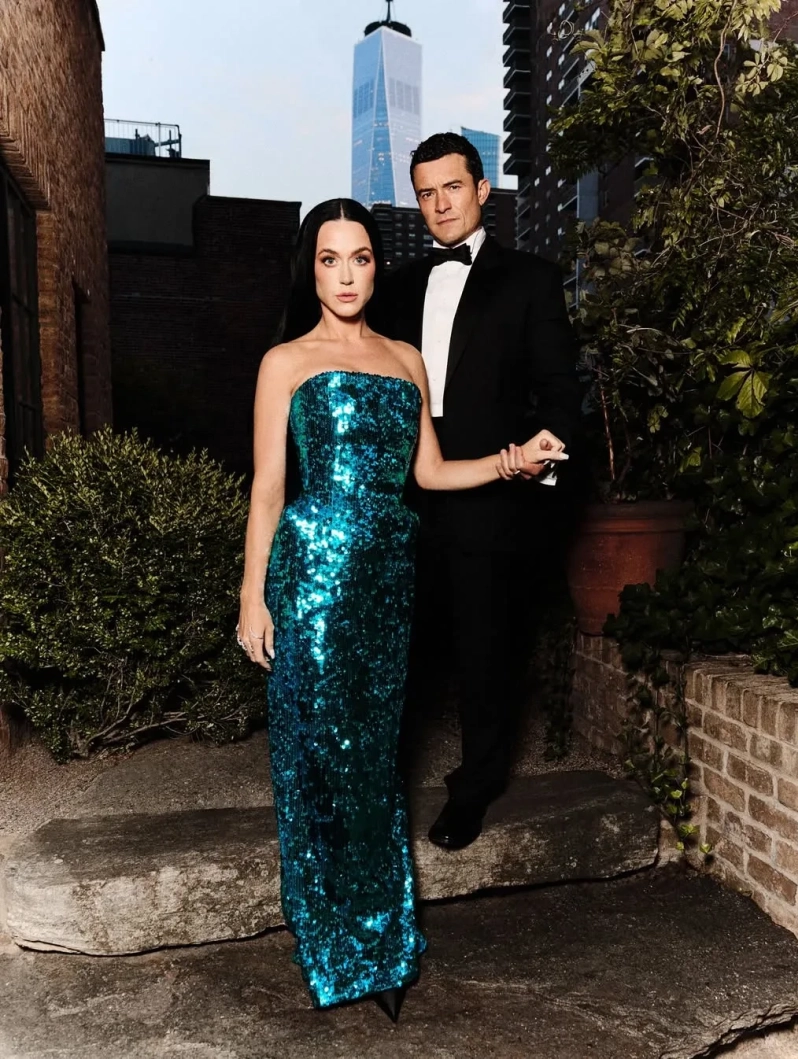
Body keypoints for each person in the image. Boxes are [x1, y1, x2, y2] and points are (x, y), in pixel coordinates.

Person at [236, 197, 566, 1022]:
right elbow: (269, 489)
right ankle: (334, 941)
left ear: (378, 267)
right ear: (310, 269)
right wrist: (252, 594)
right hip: (313, 577)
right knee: (320, 760)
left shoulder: (407, 359)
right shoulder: (285, 362)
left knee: (376, 764)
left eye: (360, 258)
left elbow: (429, 474)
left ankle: (381, 938)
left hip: (387, 581)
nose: (346, 275)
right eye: (329, 259)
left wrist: (512, 460)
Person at [377, 132, 581, 852]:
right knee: (398, 648)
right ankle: (379, 787)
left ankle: (475, 787)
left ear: (483, 189)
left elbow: (561, 393)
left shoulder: (530, 280)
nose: (439, 204)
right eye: (426, 193)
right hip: (401, 496)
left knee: (485, 653)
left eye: (452, 187)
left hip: (492, 495)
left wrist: (539, 455)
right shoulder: (395, 287)